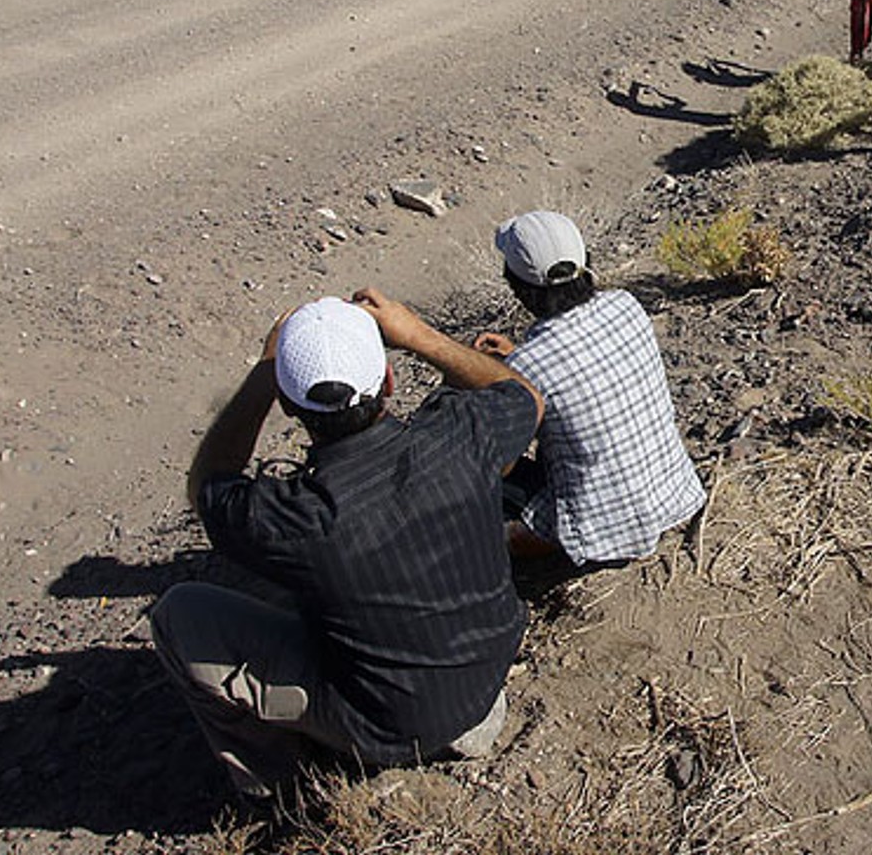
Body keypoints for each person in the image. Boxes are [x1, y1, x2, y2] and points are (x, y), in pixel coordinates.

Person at [151, 291, 544, 800]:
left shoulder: (288, 518)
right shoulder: (459, 436)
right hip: (487, 676)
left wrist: (266, 372)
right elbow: (527, 398)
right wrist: (417, 334)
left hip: (390, 727)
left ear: (290, 406)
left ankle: (280, 787)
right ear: (388, 380)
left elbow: (208, 486)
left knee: (180, 613)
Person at [475, 211, 706, 593]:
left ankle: (514, 543)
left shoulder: (528, 366)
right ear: (586, 265)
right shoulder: (627, 306)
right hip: (670, 496)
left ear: (517, 287)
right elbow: (584, 369)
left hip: (598, 534)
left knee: (478, 484)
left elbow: (501, 461)